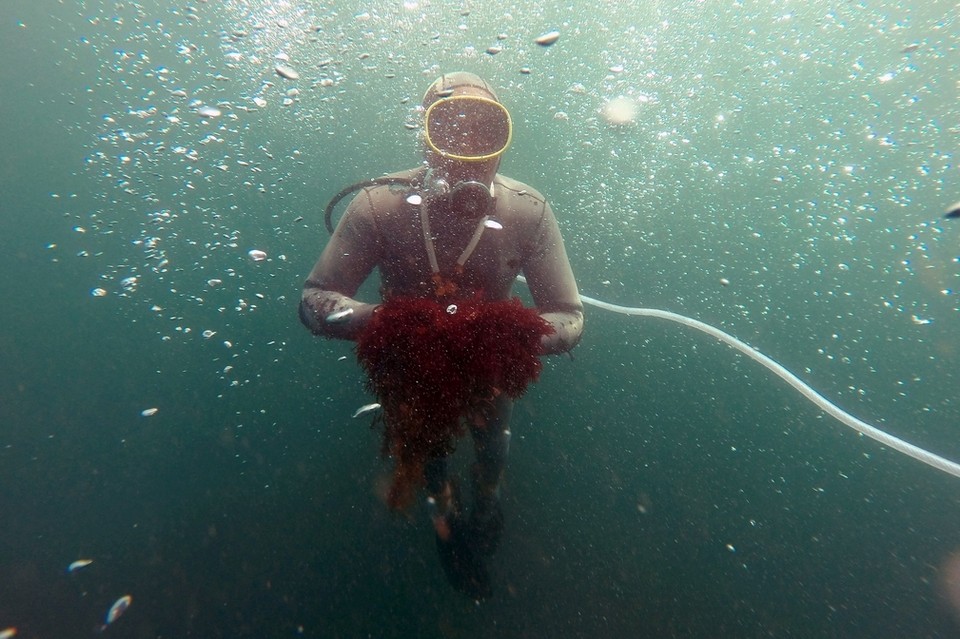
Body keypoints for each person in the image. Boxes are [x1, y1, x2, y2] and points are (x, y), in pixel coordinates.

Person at [299, 72, 583, 599]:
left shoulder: (527, 212)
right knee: (428, 458)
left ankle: (487, 503)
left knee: (491, 448)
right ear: (426, 139)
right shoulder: (379, 205)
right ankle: (446, 523)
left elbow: (568, 316)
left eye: (487, 132)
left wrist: (504, 337)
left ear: (504, 140)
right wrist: (391, 325)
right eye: (450, 131)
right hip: (411, 365)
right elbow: (316, 299)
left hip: (488, 366)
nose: (470, 152)